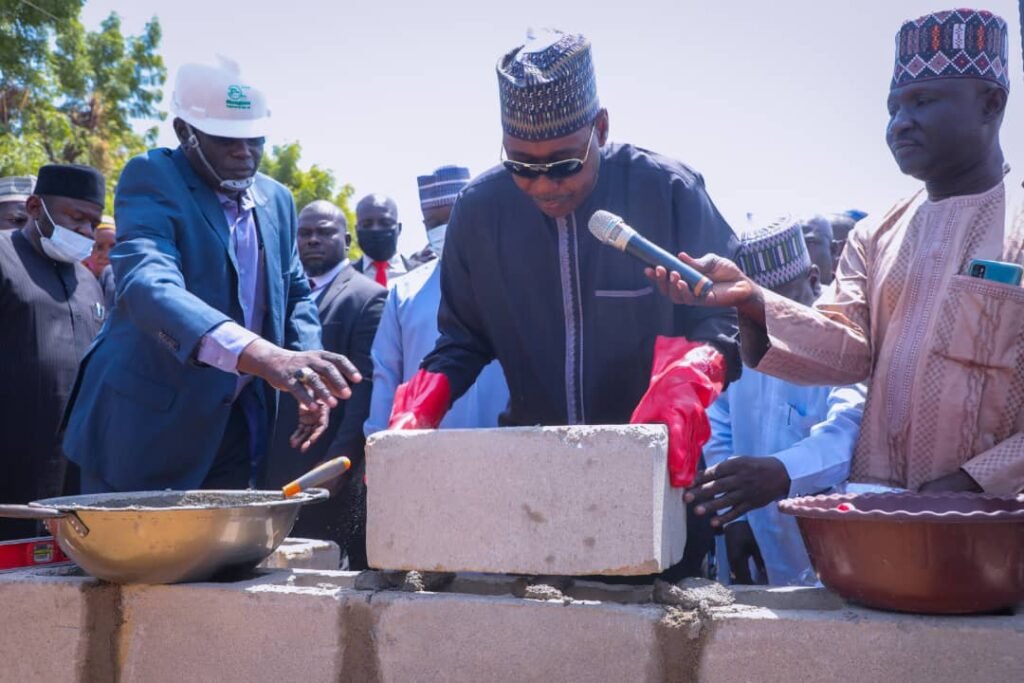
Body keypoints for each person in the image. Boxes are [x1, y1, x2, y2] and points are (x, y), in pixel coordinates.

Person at [389, 30, 742, 579]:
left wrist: (692, 375)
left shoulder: (667, 189)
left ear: (601, 128)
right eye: (521, 167)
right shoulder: (480, 212)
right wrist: (423, 402)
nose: (542, 186)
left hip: (656, 482)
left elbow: (725, 317)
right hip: (535, 481)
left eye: (563, 164)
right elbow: (463, 339)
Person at [653, 9, 1024, 495]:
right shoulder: (876, 236)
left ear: (990, 103)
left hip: (994, 531)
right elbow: (844, 355)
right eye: (893, 108)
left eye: (922, 101)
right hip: (878, 517)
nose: (899, 124)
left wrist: (971, 483)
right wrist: (750, 300)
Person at [62, 57, 360, 493]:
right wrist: (265, 357)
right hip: (143, 427)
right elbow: (149, 283)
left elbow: (294, 294)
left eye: (255, 140)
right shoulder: (153, 177)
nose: (245, 154)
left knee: (222, 556)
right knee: (140, 557)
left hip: (235, 424)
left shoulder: (276, 199)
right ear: (186, 133)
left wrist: (306, 374)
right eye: (226, 141)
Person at [697, 219, 865, 586]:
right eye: (754, 312)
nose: (768, 323)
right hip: (751, 533)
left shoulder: (844, 341)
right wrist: (735, 518)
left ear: (814, 280)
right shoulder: (741, 338)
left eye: (778, 305)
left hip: (826, 541)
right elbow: (718, 424)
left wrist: (782, 472)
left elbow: (847, 433)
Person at [267, 199, 385, 565]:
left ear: (346, 240)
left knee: (319, 569)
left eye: (324, 232)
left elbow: (363, 389)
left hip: (323, 469)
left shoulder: (367, 298)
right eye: (304, 233)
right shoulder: (279, 297)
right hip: (271, 463)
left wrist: (340, 460)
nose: (313, 239)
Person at [0, 164, 106, 540]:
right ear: (33, 207)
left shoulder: (88, 282)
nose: (85, 232)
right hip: (10, 463)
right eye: (76, 218)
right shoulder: (3, 257)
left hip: (73, 473)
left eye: (93, 223)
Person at [364, 164, 509, 438]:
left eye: (453, 217)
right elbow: (386, 375)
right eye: (434, 223)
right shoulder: (404, 292)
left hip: (510, 444)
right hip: (427, 451)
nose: (445, 229)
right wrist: (378, 443)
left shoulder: (514, 283)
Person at [352, 194, 433, 286]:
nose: (376, 229)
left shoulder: (423, 275)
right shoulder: (343, 277)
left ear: (399, 228)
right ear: (356, 230)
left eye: (385, 223)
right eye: (366, 225)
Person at [798, 214, 835, 286]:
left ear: (833, 250)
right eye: (796, 246)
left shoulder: (854, 293)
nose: (798, 255)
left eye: (809, 243)